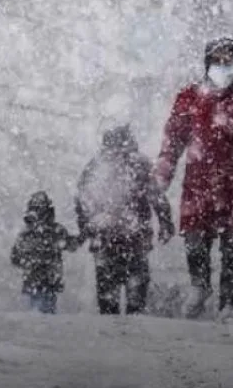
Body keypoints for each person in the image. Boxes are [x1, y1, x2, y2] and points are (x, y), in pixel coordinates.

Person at [154, 37, 233, 324]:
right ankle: (200, 285)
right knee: (195, 238)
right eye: (217, 60)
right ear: (207, 63)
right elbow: (173, 140)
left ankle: (229, 304)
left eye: (228, 60)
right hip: (200, 184)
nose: (223, 66)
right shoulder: (190, 97)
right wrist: (162, 174)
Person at [75, 124, 175, 315]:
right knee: (136, 290)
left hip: (105, 236)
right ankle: (132, 319)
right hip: (135, 236)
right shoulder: (140, 164)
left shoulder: (96, 166)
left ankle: (110, 321)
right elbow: (157, 197)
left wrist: (85, 229)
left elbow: (82, 201)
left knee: (107, 292)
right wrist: (165, 223)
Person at [11, 191, 83, 314]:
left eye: (38, 209)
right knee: (42, 312)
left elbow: (71, 245)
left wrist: (29, 261)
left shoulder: (51, 230)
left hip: (43, 281)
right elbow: (15, 257)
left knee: (41, 312)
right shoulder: (50, 230)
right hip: (42, 281)